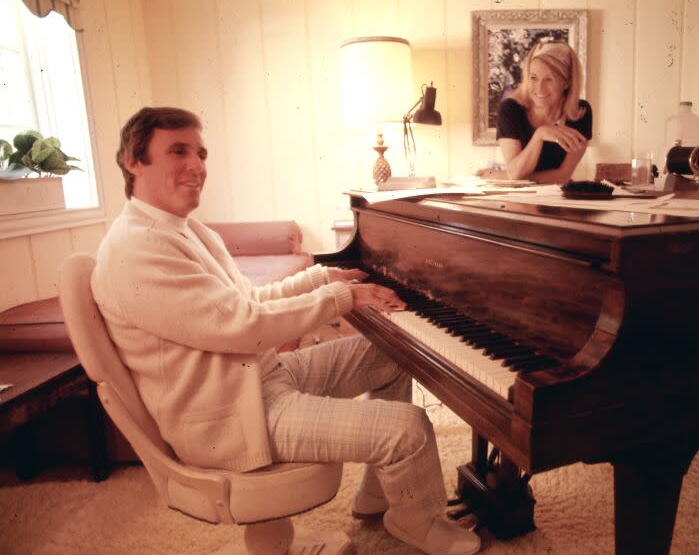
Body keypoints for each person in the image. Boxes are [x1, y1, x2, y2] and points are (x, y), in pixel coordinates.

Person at [91, 107, 480, 555]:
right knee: (406, 428)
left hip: (253, 381)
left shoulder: (186, 232)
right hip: (228, 417)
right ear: (133, 161)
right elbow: (242, 327)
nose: (197, 165)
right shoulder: (137, 248)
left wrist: (323, 277)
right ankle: (415, 520)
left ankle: (377, 493)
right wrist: (343, 299)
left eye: (200, 152)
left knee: (389, 354)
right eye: (178, 151)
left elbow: (247, 303)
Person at [480, 40, 592, 185]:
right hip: (516, 197)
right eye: (533, 78)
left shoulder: (581, 112)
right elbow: (516, 173)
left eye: (549, 79)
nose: (539, 88)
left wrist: (504, 176)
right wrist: (540, 135)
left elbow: (563, 176)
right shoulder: (510, 110)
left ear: (567, 82)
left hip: (557, 198)